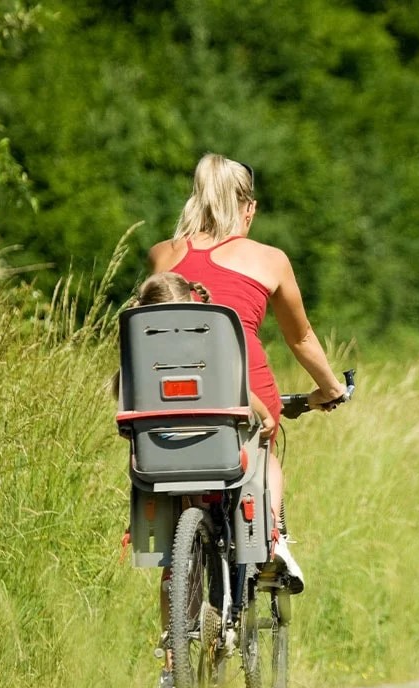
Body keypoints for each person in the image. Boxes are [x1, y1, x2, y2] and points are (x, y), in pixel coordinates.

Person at [149, 153, 348, 599]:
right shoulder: (270, 260)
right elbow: (301, 339)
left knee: (181, 490)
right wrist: (331, 388)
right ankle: (271, 540)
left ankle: (171, 654)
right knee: (264, 452)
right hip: (241, 390)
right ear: (249, 208)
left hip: (164, 395)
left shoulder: (162, 253)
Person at [117, 272, 275, 688]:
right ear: (193, 306)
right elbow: (248, 401)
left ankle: (172, 668)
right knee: (254, 467)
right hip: (217, 459)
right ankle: (263, 554)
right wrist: (266, 417)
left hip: (157, 464)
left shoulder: (137, 352)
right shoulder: (209, 341)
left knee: (173, 562)